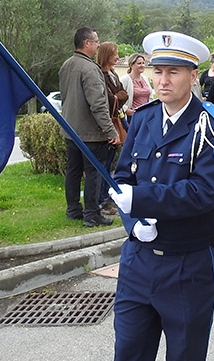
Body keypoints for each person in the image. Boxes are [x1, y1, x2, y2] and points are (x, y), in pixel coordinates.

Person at [108, 31, 214, 361]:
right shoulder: (143, 118)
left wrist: (141, 199)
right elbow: (122, 179)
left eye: (174, 72)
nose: (162, 81)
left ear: (193, 75)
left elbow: (203, 191)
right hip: (137, 263)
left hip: (186, 266)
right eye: (158, 71)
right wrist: (132, 222)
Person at [59, 27, 120, 227]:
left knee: (73, 171)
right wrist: (110, 131)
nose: (98, 45)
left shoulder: (66, 65)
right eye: (96, 41)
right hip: (91, 133)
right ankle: (92, 214)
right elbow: (98, 104)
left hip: (71, 130)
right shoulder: (90, 69)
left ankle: (73, 209)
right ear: (86, 43)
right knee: (94, 172)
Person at [96, 42, 129, 215]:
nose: (117, 57)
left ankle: (105, 195)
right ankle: (101, 200)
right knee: (104, 164)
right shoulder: (101, 75)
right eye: (115, 54)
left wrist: (118, 95)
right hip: (107, 124)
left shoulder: (114, 74)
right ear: (107, 55)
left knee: (110, 162)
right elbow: (111, 98)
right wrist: (119, 95)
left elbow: (123, 94)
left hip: (116, 119)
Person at [121, 53, 154, 120]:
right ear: (131, 65)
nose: (142, 65)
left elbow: (150, 97)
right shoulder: (125, 80)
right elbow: (118, 98)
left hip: (146, 116)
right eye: (139, 63)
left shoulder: (145, 79)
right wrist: (126, 110)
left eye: (143, 63)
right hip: (133, 118)